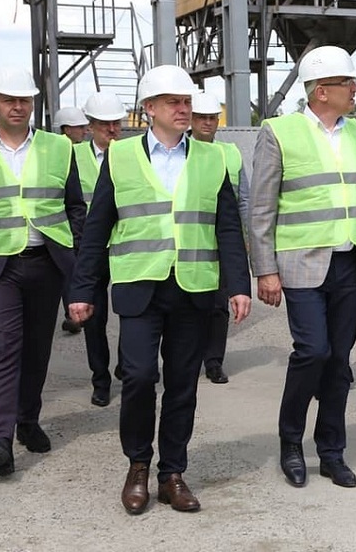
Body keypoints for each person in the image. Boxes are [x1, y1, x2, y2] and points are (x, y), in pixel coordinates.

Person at [69, 64, 252, 515]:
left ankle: (171, 474)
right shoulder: (121, 157)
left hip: (193, 287)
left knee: (183, 384)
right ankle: (138, 465)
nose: (183, 109)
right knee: (138, 376)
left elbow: (227, 227)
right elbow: (97, 227)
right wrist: (82, 289)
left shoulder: (212, 158)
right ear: (149, 108)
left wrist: (238, 284)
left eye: (187, 101)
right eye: (173, 102)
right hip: (139, 285)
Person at [249, 46, 356, 490]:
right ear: (322, 91)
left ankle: (331, 452)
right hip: (302, 264)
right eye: (348, 82)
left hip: (350, 263)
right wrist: (265, 269)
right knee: (313, 352)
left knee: (339, 362)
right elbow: (262, 206)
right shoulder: (278, 132)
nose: (355, 89)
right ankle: (291, 443)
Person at [0, 65, 85, 477]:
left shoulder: (58, 147)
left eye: (24, 100)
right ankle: (0, 439)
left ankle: (27, 420)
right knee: (3, 348)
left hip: (46, 263)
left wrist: (76, 261)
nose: (18, 106)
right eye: (9, 99)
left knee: (36, 348)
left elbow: (74, 207)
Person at [190, 91, 250, 384]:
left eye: (212, 118)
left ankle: (214, 361)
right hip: (191, 239)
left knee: (218, 304)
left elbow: (243, 200)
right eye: (201, 117)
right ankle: (188, 356)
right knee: (189, 305)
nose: (207, 123)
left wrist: (245, 237)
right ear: (191, 120)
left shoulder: (231, 154)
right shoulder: (180, 152)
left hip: (222, 241)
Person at [76, 91, 125, 406]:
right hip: (91, 248)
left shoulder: (132, 155)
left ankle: (126, 365)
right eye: (104, 123)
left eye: (116, 123)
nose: (112, 129)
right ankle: (100, 379)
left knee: (132, 310)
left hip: (125, 244)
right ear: (90, 126)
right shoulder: (73, 157)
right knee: (94, 319)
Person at [54, 106, 90, 334]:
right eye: (80, 127)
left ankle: (72, 315)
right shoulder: (61, 154)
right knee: (68, 271)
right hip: (61, 227)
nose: (85, 131)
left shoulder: (78, 152)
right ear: (66, 129)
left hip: (75, 224)